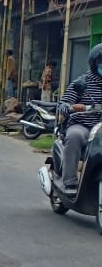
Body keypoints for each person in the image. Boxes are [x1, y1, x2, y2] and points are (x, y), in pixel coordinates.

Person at [58, 44, 102, 192]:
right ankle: (70, 182)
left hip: (100, 129)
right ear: (95, 63)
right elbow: (64, 104)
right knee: (74, 137)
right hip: (83, 125)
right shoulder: (82, 82)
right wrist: (72, 107)